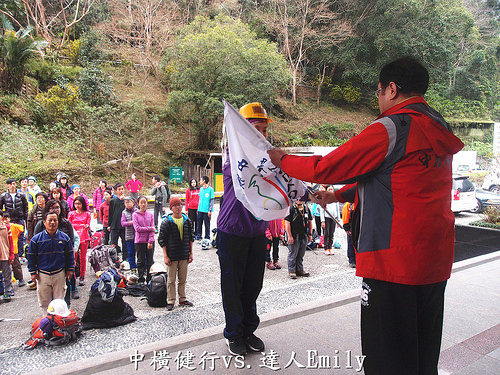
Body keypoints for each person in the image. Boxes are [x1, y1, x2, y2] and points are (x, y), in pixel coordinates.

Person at [268, 57, 464, 374]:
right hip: (434, 261)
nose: (379, 98)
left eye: (379, 91)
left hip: (393, 264)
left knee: (386, 359)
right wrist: (338, 195)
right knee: (421, 354)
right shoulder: (438, 126)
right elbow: (394, 179)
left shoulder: (392, 127)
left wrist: (283, 158)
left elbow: (327, 167)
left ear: (391, 88)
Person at [216, 102, 271, 356]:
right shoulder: (232, 156)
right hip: (232, 231)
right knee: (233, 286)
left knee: (253, 285)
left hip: (257, 232)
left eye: (264, 130)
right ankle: (233, 333)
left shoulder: (268, 158)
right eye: (255, 129)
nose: (261, 135)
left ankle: (249, 329)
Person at [27, 211, 75, 313]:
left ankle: (59, 321)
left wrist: (70, 269)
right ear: (44, 222)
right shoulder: (36, 240)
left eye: (55, 220)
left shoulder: (65, 238)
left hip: (59, 274)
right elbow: (31, 257)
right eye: (50, 220)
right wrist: (32, 272)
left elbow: (70, 255)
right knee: (44, 302)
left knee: (59, 302)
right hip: (42, 275)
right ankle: (47, 321)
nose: (52, 223)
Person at [34, 200, 77, 299]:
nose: (55, 210)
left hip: (62, 259)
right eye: (52, 208)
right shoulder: (41, 224)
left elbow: (71, 242)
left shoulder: (66, 223)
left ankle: (73, 291)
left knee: (64, 286)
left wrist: (72, 260)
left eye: (57, 207)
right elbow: (35, 244)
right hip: (45, 263)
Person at [158, 197, 194, 311]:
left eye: (179, 204)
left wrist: (191, 253)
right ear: (171, 208)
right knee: (171, 280)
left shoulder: (187, 220)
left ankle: (182, 299)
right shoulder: (167, 222)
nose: (178, 207)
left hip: (184, 254)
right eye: (175, 205)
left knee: (183, 279)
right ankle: (171, 300)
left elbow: (190, 238)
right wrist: (165, 256)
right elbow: (162, 240)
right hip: (172, 255)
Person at [284, 200, 312, 279]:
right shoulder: (291, 208)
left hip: (303, 235)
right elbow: (287, 223)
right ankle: (292, 271)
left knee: (301, 253)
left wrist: (310, 234)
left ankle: (299, 269)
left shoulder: (306, 208)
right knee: (293, 253)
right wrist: (289, 236)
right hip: (294, 235)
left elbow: (310, 221)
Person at [0, 178, 28, 257]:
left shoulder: (21, 195)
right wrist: (4, 217)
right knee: (10, 237)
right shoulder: (3, 196)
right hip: (9, 219)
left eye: (14, 184)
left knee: (21, 237)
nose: (12, 186)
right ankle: (10, 254)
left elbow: (25, 207)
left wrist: (25, 217)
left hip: (20, 218)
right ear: (8, 185)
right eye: (10, 184)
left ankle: (20, 254)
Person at [68, 196, 91, 286]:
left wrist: (81, 226)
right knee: (74, 257)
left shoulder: (87, 214)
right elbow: (69, 225)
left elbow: (88, 225)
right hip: (75, 237)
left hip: (84, 237)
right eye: (76, 204)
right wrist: (81, 225)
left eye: (79, 204)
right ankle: (73, 275)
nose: (77, 206)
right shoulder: (71, 214)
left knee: (82, 258)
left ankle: (82, 275)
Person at [132, 196, 156, 284]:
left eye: (144, 202)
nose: (143, 204)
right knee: (140, 260)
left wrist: (150, 241)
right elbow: (137, 229)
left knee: (150, 261)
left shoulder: (150, 214)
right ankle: (141, 278)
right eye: (141, 202)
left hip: (149, 241)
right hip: (139, 241)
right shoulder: (135, 215)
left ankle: (149, 279)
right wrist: (150, 228)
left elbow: (153, 230)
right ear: (138, 204)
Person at [3, 212, 26, 288]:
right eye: (3, 219)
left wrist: (16, 236)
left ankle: (20, 279)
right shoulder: (2, 227)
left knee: (16, 266)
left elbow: (21, 228)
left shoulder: (13, 226)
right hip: (5, 250)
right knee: (6, 268)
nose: (5, 220)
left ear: (9, 219)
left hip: (14, 249)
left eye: (6, 218)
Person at [109, 183, 127, 259]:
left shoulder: (126, 201)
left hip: (124, 226)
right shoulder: (112, 201)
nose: (121, 191)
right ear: (116, 191)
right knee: (113, 243)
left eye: (122, 189)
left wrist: (123, 201)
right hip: (115, 225)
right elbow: (110, 213)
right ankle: (114, 259)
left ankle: (125, 258)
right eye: (119, 189)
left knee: (125, 243)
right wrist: (109, 225)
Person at [321, 185, 340, 255]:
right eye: (329, 189)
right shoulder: (324, 199)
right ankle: (326, 247)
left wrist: (338, 219)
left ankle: (330, 247)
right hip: (326, 218)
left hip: (333, 218)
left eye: (332, 189)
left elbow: (337, 210)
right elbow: (322, 211)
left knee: (332, 233)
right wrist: (322, 221)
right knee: (326, 233)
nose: (330, 191)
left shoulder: (335, 200)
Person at [0, 211, 14, 301]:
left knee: (7, 274)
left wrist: (11, 254)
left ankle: (8, 292)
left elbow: (10, 242)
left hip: (5, 253)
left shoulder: (6, 227)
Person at [121, 197, 137, 274]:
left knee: (140, 253)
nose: (128, 204)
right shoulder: (124, 212)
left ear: (133, 203)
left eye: (129, 202)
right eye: (126, 203)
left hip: (138, 236)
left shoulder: (137, 211)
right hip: (129, 236)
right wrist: (131, 223)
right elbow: (123, 223)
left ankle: (142, 267)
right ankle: (132, 267)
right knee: (131, 252)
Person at [196, 176, 214, 240]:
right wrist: (198, 209)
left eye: (201, 180)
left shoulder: (210, 189)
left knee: (207, 225)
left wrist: (210, 210)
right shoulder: (201, 189)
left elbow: (211, 201)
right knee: (199, 224)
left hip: (207, 211)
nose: (200, 181)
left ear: (204, 181)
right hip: (200, 210)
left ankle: (207, 237)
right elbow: (200, 199)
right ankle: (199, 236)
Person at [342, 201, 356, 268]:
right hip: (351, 228)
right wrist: (346, 228)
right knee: (351, 243)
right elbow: (345, 217)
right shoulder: (348, 205)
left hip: (359, 227)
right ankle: (352, 260)